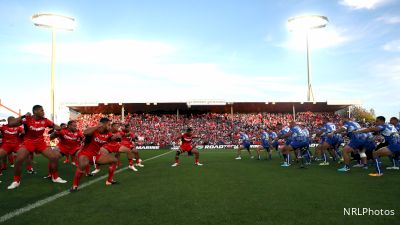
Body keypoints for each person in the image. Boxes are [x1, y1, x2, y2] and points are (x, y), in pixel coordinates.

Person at [7, 105, 67, 190]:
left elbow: (56, 127)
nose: (43, 112)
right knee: (18, 160)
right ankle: (16, 181)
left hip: (41, 143)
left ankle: (55, 177)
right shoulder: (27, 118)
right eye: (41, 110)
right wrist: (23, 116)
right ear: (35, 112)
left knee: (54, 157)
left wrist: (56, 128)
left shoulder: (45, 120)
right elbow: (11, 123)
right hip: (28, 142)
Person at [71, 118, 121, 192]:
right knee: (82, 165)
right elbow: (85, 133)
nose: (110, 126)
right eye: (108, 125)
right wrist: (97, 126)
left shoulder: (108, 133)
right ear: (102, 124)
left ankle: (109, 181)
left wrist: (117, 137)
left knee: (114, 160)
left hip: (96, 155)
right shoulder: (94, 130)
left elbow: (111, 138)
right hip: (85, 153)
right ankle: (74, 186)